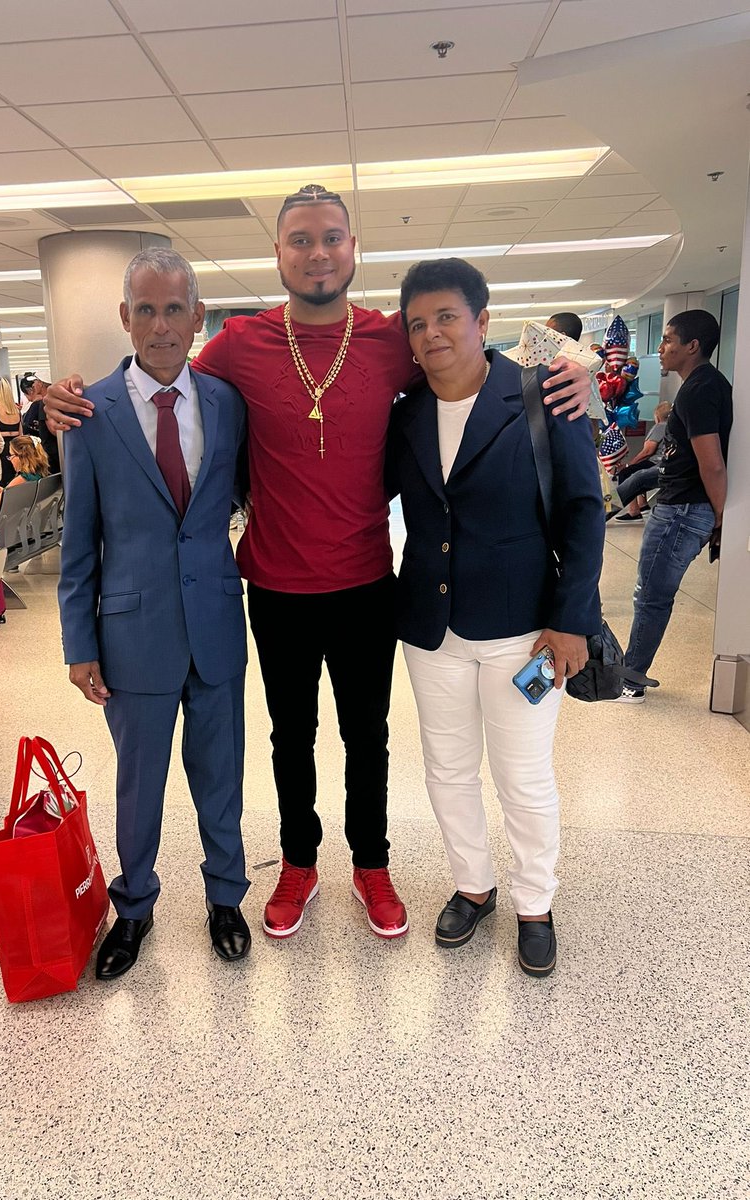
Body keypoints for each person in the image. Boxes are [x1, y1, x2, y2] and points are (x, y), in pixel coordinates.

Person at [45, 185, 592, 944]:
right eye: (300, 240)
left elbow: (467, 359)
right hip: (273, 584)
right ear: (278, 255)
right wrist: (67, 396)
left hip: (370, 582)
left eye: (331, 237)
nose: (317, 253)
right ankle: (298, 863)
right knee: (288, 736)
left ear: (352, 249)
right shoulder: (236, 346)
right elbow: (159, 376)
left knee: (369, 736)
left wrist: (570, 377)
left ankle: (372, 865)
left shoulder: (392, 342)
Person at [386, 258, 604, 977]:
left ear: (482, 321)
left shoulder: (543, 397)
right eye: (417, 323)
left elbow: (582, 511)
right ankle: (472, 885)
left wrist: (572, 620)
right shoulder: (407, 412)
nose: (431, 333)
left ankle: (535, 901)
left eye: (447, 317)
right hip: (430, 628)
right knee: (447, 769)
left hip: (525, 632)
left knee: (524, 776)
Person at [58, 247, 252, 975]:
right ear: (124, 317)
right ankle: (134, 906)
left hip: (216, 626)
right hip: (131, 632)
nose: (161, 325)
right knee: (139, 782)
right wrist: (79, 643)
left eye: (176, 309)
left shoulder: (227, 404)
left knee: (221, 772)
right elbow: (79, 542)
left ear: (198, 317)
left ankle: (225, 896)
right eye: (146, 309)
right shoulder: (90, 412)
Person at [618, 310, 731, 703]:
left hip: (683, 510)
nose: (661, 348)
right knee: (650, 593)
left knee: (651, 596)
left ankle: (630, 680)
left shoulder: (700, 389)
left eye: (667, 340)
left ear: (692, 346)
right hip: (683, 506)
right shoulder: (703, 385)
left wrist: (721, 517)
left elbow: (711, 461)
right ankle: (631, 672)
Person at [610, 401, 672, 521]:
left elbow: (647, 451)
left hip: (657, 463)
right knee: (639, 472)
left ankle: (633, 511)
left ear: (657, 416)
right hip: (665, 463)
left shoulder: (660, 426)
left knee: (627, 473)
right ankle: (642, 505)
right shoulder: (673, 427)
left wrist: (630, 464)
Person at [20, 373, 59, 474]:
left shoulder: (44, 403)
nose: (32, 387)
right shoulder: (48, 401)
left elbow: (54, 429)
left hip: (51, 452)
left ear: (39, 384)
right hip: (55, 450)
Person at [0, 377, 23, 485]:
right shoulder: (16, 410)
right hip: (16, 450)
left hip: (0, 451)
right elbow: (21, 434)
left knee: (1, 485)